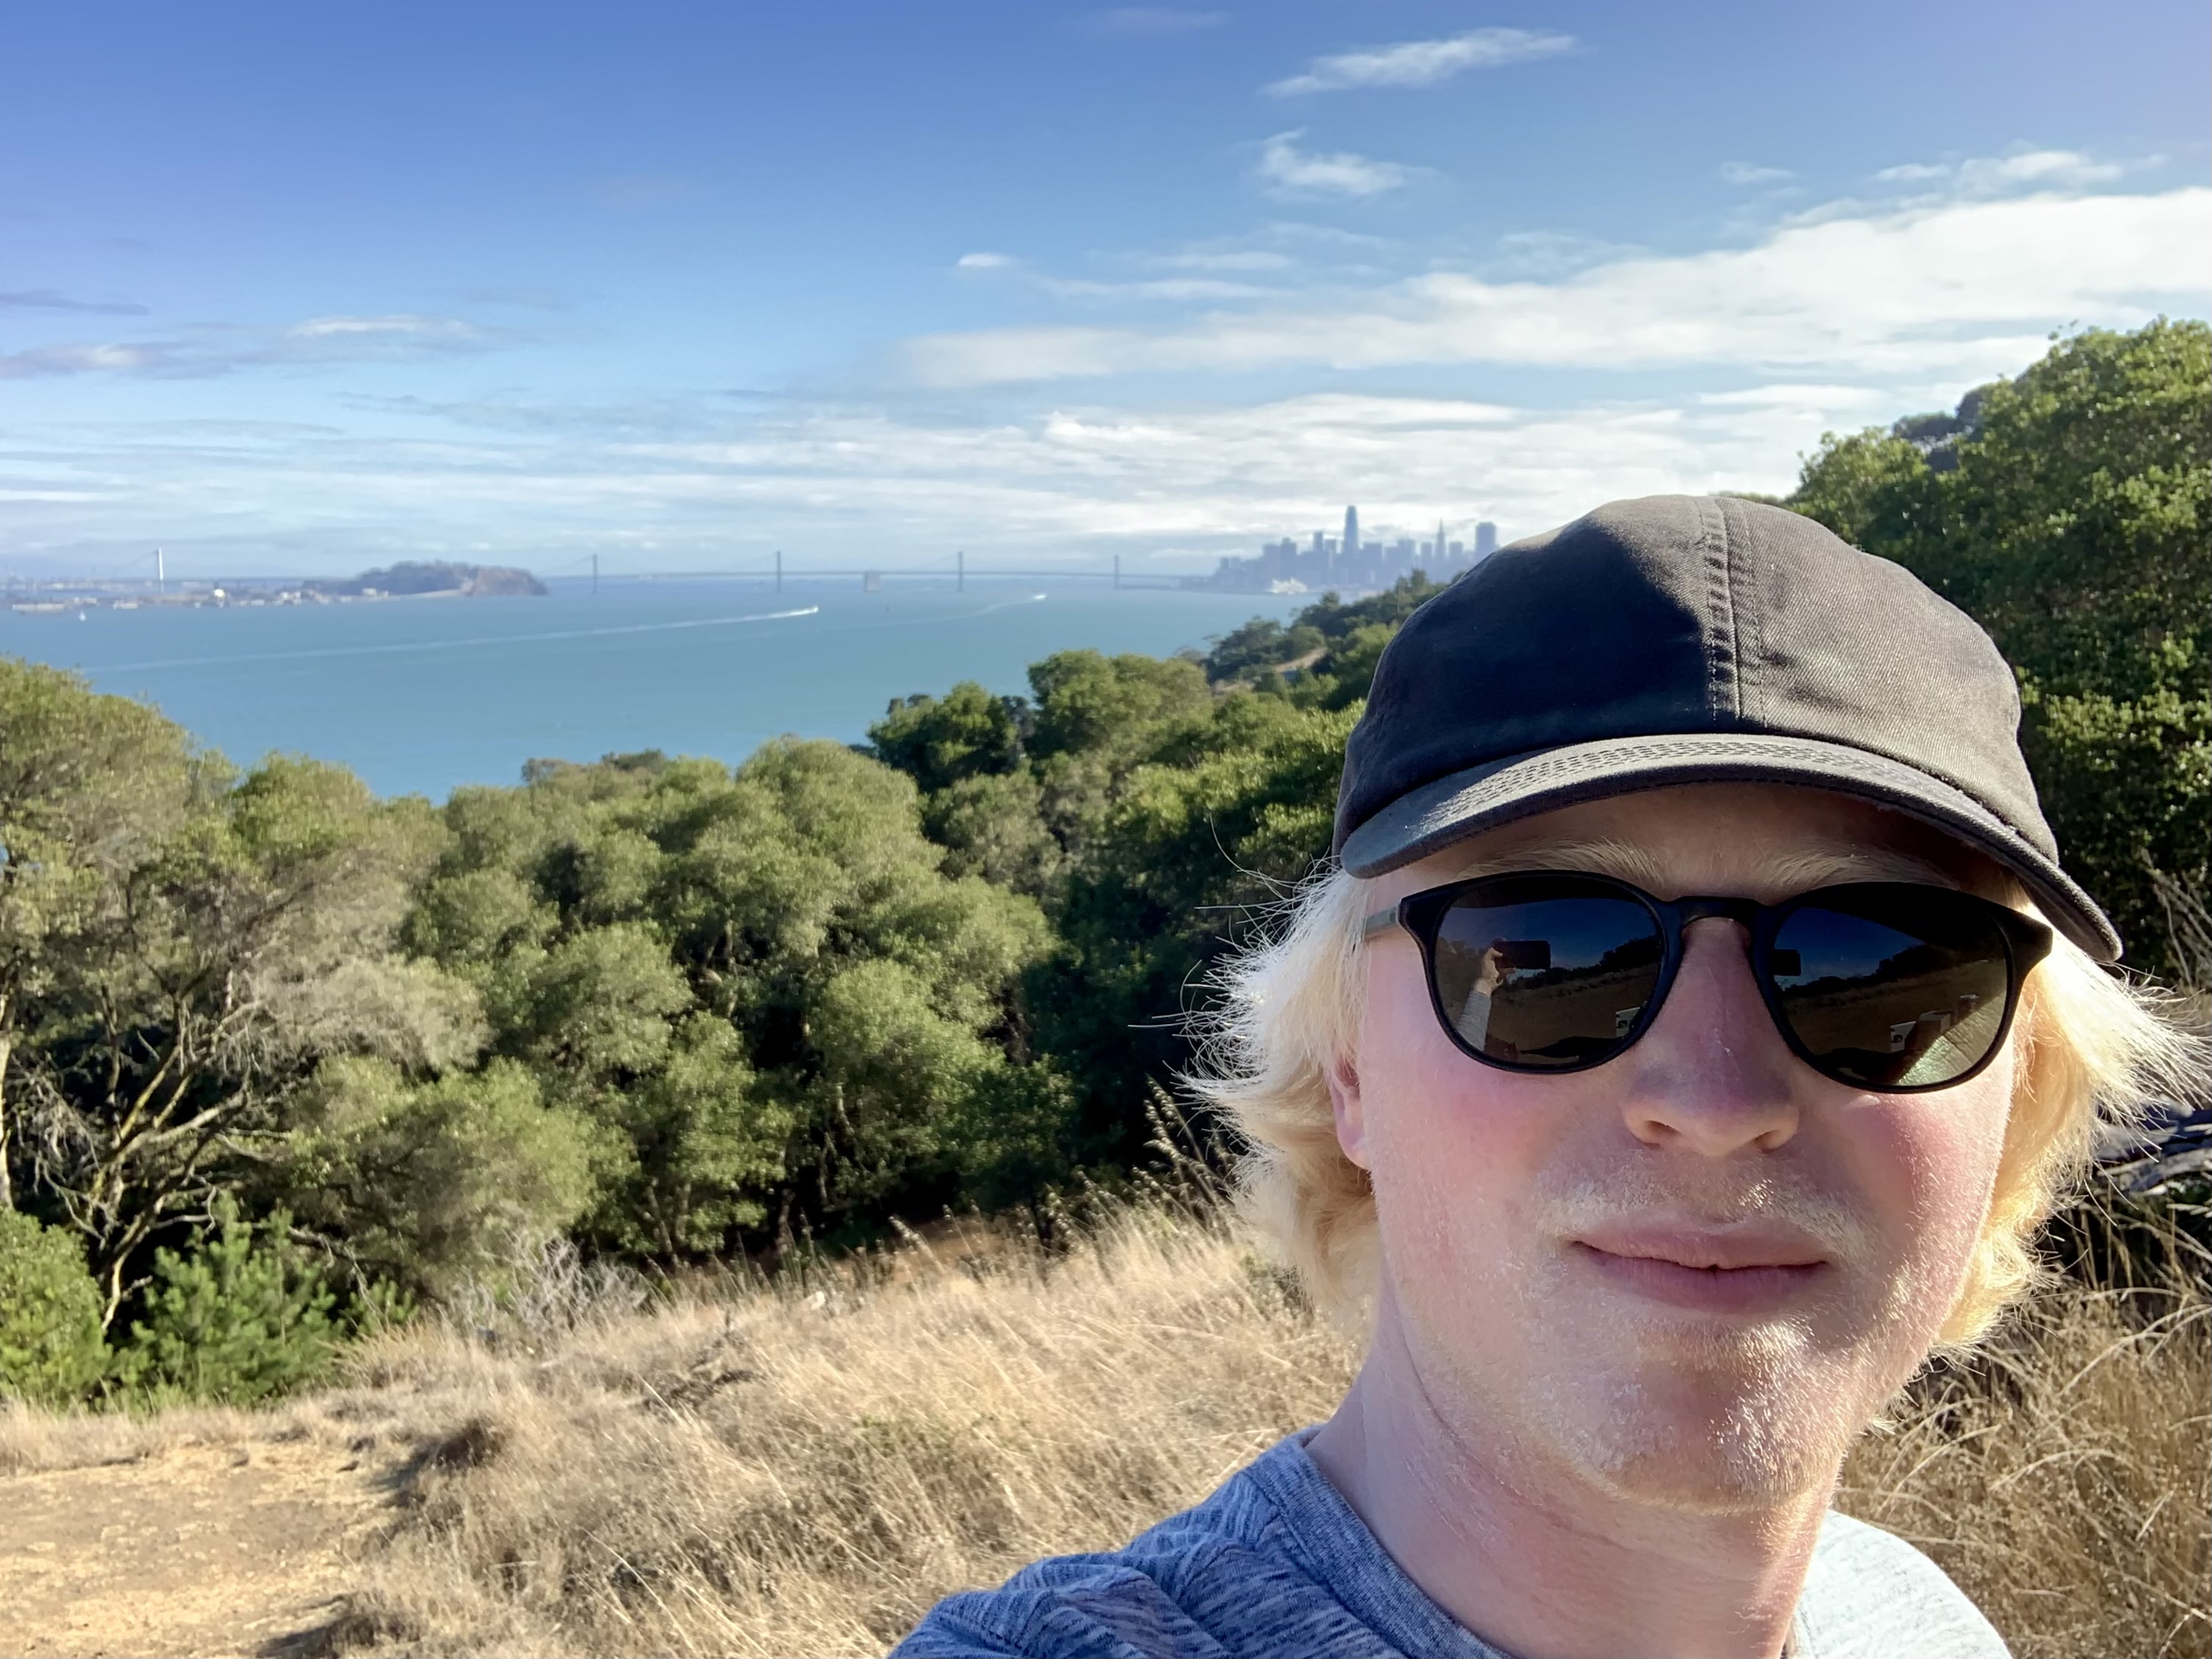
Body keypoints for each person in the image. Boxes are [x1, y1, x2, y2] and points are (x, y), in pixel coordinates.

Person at [895, 496, 2191, 1659]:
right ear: (1348, 1066)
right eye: (1555, 955)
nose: (1719, 1101)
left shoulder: (1917, 1623)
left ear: (2017, 1092)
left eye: (1891, 969)